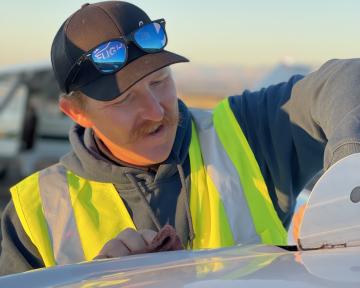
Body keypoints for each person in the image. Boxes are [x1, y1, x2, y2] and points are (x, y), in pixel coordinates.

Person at [1, 0, 360, 276]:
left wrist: (350, 169)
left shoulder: (247, 132)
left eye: (160, 82)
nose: (156, 111)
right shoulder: (33, 216)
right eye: (125, 100)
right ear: (75, 112)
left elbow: (347, 77)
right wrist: (93, 281)